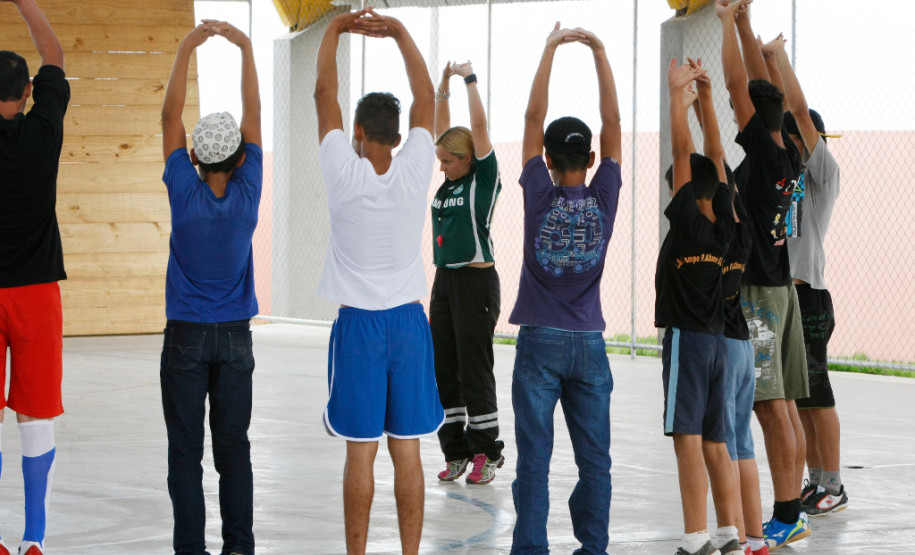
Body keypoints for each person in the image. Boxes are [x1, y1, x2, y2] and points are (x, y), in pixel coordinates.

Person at [314, 9, 444, 555]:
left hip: (360, 326)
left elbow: (324, 94)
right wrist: (399, 33)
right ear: (400, 135)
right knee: (407, 450)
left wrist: (335, 29)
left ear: (359, 133)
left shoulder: (343, 172)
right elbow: (425, 96)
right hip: (409, 323)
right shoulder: (416, 167)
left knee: (360, 451)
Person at [509, 23, 621, 554]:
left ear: (547, 161)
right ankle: (593, 548)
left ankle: (532, 548)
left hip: (539, 341)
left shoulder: (537, 192)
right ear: (592, 161)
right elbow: (612, 122)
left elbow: (533, 119)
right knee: (595, 460)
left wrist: (549, 48)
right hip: (589, 343)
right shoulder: (605, 197)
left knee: (534, 459)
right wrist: (599, 51)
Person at [159, 20, 262, 555]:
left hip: (186, 338)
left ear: (194, 158)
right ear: (241, 158)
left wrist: (186, 48)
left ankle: (191, 551)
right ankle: (239, 548)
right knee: (234, 451)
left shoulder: (183, 190)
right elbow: (254, 115)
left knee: (186, 453)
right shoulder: (248, 193)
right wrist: (244, 47)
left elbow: (169, 117)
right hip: (236, 338)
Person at [716, 0, 809, 549]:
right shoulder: (787, 148)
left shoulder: (769, 157)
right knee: (785, 404)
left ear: (752, 116)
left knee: (770, 405)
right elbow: (757, 86)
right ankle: (792, 510)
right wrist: (747, 25)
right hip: (779, 289)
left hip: (761, 293)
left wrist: (725, 20)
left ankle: (787, 513)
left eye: (741, 109)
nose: (736, 110)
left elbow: (737, 84)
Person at [760, 37, 848, 516]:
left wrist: (778, 59)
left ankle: (833, 484)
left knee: (818, 394)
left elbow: (794, 108)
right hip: (784, 296)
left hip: (808, 295)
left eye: (795, 137)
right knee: (800, 396)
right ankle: (816, 481)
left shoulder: (822, 175)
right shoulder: (786, 178)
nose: (788, 142)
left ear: (806, 141)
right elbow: (773, 113)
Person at [656, 57, 739, 555]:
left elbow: (684, 151)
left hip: (688, 340)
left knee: (686, 437)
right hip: (717, 344)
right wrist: (705, 98)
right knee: (714, 441)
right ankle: (729, 533)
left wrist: (676, 97)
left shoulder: (687, 222)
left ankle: (695, 538)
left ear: (682, 190)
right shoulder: (726, 225)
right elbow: (716, 156)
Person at [0, 1, 67, 553]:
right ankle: (33, 538)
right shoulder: (44, 129)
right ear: (27, 93)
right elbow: (55, 56)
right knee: (36, 414)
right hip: (37, 292)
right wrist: (25, 2)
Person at [430, 60, 504, 485]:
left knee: (474, 369)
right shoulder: (449, 182)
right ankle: (455, 451)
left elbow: (478, 127)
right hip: (445, 282)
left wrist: (469, 80)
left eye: (446, 161)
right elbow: (444, 133)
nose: (440, 167)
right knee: (444, 368)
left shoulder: (482, 178)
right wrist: (442, 85)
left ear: (467, 158)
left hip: (476, 284)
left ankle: (485, 453)